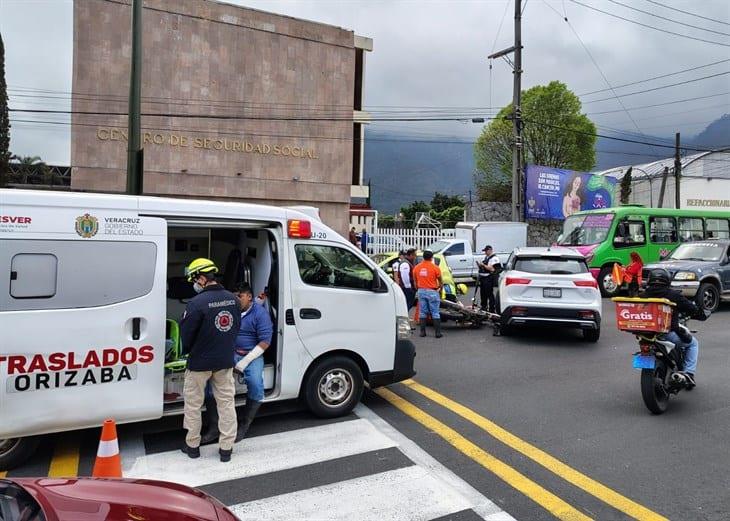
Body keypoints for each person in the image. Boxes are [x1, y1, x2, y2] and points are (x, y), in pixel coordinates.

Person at [180, 258, 241, 462]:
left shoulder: (196, 303)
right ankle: (226, 450)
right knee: (226, 404)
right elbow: (235, 329)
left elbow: (186, 337)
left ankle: (193, 446)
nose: (194, 283)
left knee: (193, 405)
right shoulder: (234, 300)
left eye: (195, 279)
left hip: (199, 363)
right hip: (224, 361)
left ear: (203, 278)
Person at [641, 268, 701, 387]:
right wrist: (699, 312)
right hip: (666, 333)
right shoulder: (673, 295)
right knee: (693, 343)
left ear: (649, 280)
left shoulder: (642, 295)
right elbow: (691, 308)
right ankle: (689, 373)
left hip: (645, 334)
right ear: (667, 280)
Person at [231, 282, 273, 442]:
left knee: (256, 385)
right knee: (213, 382)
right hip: (231, 352)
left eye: (239, 296)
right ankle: (217, 425)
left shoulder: (260, 314)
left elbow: (265, 342)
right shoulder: (231, 310)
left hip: (252, 354)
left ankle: (244, 424)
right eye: (234, 296)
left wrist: (244, 362)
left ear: (249, 297)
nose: (236, 299)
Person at [413, 249, 443, 338]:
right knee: (435, 312)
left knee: (422, 312)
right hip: (432, 291)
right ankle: (437, 333)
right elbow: (441, 281)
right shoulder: (435, 268)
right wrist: (440, 288)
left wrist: (419, 289)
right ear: (431, 258)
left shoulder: (417, 268)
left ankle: (422, 332)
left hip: (421, 291)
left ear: (423, 257)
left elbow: (415, 282)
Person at [476, 245, 501, 313]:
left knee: (489, 294)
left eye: (486, 251)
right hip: (483, 278)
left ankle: (492, 309)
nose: (485, 252)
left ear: (490, 250)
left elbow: (492, 269)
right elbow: (485, 267)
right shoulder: (487, 257)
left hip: (489, 278)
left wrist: (483, 265)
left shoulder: (494, 258)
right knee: (483, 294)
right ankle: (484, 307)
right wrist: (480, 266)